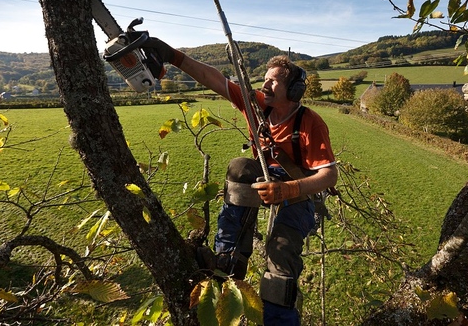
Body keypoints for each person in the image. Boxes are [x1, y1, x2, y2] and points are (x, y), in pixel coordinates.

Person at [141, 38, 338, 325]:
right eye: (265, 79)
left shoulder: (311, 123)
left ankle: (278, 317)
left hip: (301, 192)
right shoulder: (256, 107)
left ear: (294, 91)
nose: (265, 86)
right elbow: (214, 79)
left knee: (281, 250)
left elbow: (329, 175)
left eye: (274, 82)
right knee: (239, 167)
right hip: (265, 177)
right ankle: (228, 262)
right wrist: (171, 54)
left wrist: (288, 188)